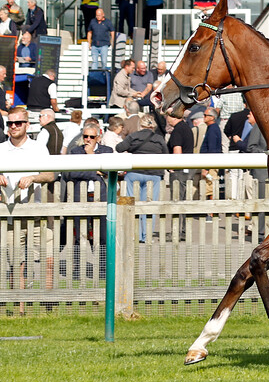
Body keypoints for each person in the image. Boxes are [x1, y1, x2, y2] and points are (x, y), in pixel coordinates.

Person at [0, 107, 55, 314]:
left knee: (48, 261)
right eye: (10, 123)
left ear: (27, 125)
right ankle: (20, 309)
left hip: (37, 213)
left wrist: (33, 177)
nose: (13, 127)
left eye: (18, 123)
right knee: (17, 265)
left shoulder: (38, 148)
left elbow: (50, 175)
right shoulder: (1, 149)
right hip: (11, 214)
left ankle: (48, 308)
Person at [64, 123, 113, 278]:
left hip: (101, 198)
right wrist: (95, 172)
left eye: (92, 137)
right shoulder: (75, 152)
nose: (88, 140)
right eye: (85, 136)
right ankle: (78, 268)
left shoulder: (107, 151)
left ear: (98, 137)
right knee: (80, 235)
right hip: (81, 197)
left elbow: (109, 170)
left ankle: (103, 269)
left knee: (104, 236)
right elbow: (72, 173)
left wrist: (91, 156)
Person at [117, 115, 168, 243]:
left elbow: (119, 148)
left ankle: (133, 234)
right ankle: (147, 236)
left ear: (140, 125)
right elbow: (166, 154)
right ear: (153, 126)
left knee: (130, 204)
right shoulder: (159, 138)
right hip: (154, 175)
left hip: (134, 174)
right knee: (149, 206)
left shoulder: (133, 136)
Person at [166, 112, 194, 239]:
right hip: (186, 169)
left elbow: (177, 151)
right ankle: (183, 231)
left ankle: (177, 232)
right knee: (183, 200)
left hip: (179, 171)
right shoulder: (186, 127)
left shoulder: (177, 131)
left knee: (177, 201)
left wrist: (173, 167)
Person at [200, 108, 222, 197]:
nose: (204, 117)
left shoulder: (212, 129)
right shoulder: (212, 128)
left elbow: (212, 149)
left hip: (211, 164)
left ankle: (212, 211)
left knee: (210, 189)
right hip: (211, 163)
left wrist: (206, 168)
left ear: (212, 117)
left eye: (206, 115)